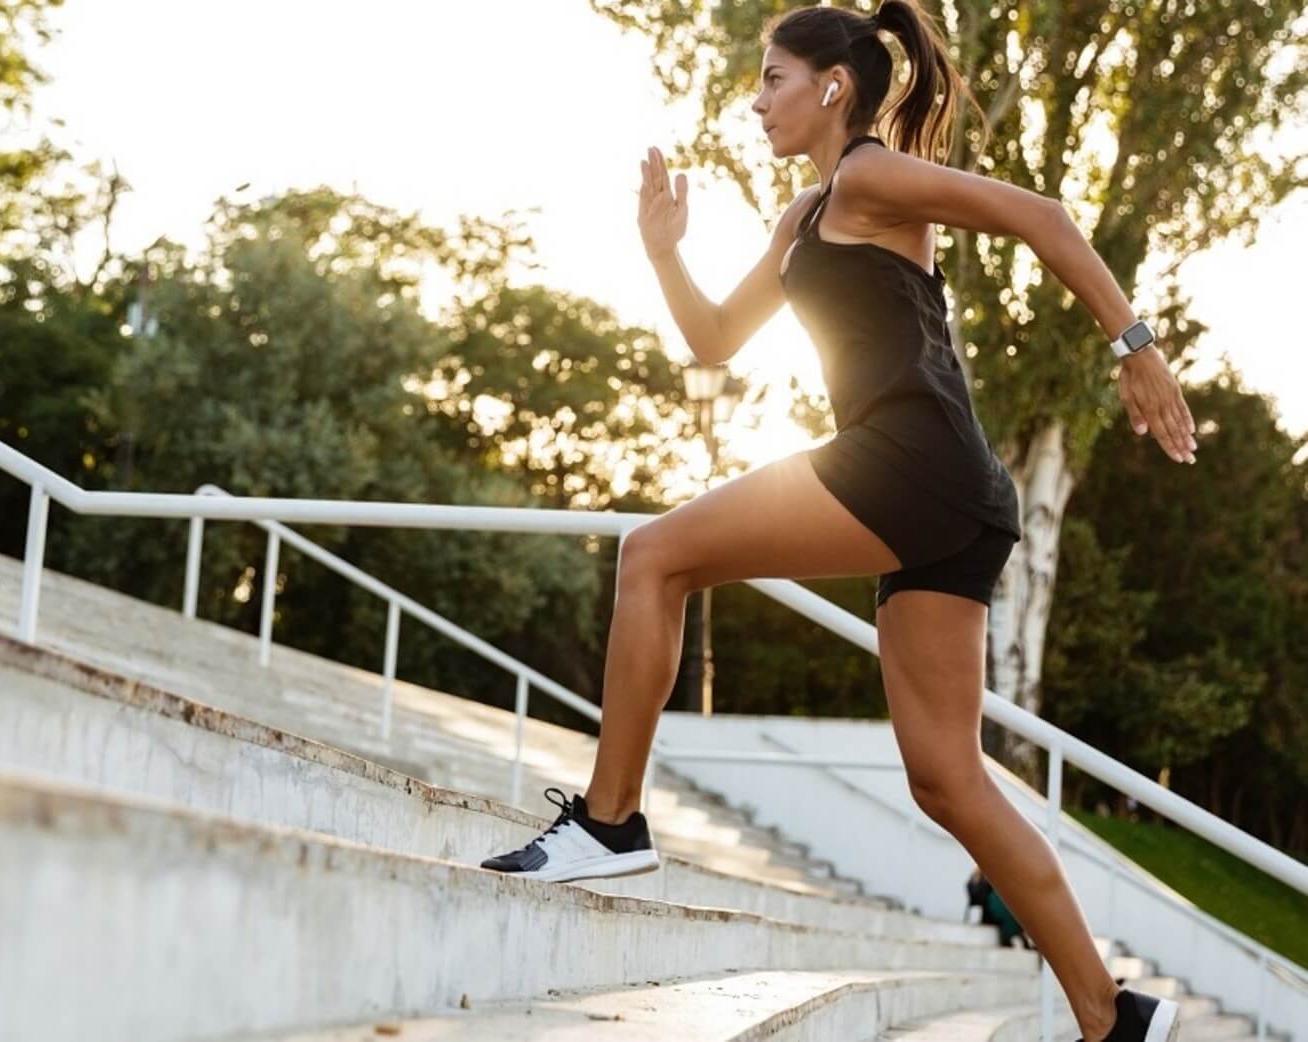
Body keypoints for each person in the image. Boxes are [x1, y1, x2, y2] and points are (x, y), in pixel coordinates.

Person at [480, 4, 1196, 1040]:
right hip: (953, 495)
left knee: (654, 554)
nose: (756, 98)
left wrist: (1135, 345)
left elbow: (1043, 214)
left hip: (909, 462)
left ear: (831, 87)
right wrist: (662, 254)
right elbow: (718, 340)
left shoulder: (867, 177)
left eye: (773, 77)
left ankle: (611, 817)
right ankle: (1111, 1013)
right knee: (947, 777)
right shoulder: (805, 217)